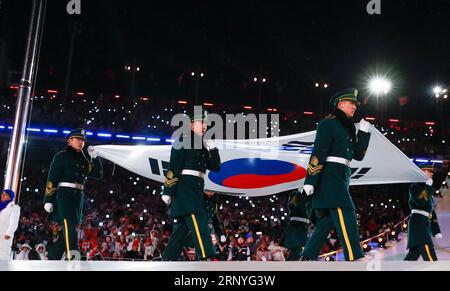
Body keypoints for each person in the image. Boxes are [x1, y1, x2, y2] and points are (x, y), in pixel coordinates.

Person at [300, 88, 371, 261]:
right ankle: (354, 255)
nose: (355, 107)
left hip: (342, 175)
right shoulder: (328, 123)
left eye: (355, 104)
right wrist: (310, 180)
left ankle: (308, 255)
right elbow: (318, 152)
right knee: (345, 209)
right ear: (341, 104)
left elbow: (358, 156)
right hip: (329, 174)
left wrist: (363, 134)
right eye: (352, 103)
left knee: (328, 220)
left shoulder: (347, 127)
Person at [161, 111, 221, 261]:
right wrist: (167, 190)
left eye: (206, 124)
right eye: (201, 123)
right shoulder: (183, 141)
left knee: (183, 227)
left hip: (197, 187)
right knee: (198, 217)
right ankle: (206, 254)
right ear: (191, 124)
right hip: (185, 187)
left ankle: (168, 256)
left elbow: (215, 167)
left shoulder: (203, 145)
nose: (204, 126)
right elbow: (173, 167)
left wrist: (213, 150)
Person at [43, 129, 103, 260]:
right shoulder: (61, 156)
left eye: (83, 140)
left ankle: (53, 256)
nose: (81, 142)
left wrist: (95, 158)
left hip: (78, 196)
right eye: (78, 139)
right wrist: (48, 198)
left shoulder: (84, 160)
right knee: (68, 224)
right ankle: (75, 256)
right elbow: (52, 177)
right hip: (63, 195)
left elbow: (98, 174)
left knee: (69, 229)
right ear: (69, 140)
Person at [404, 163, 439, 261]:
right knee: (429, 253)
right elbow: (420, 202)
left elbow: (430, 210)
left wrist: (436, 229)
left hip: (422, 222)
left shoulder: (425, 188)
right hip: (419, 223)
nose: (432, 174)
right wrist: (428, 188)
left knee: (413, 254)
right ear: (422, 172)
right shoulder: (415, 187)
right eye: (429, 171)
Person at [280, 190, 312, 261]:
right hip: (297, 227)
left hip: (298, 227)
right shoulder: (296, 205)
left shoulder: (295, 206)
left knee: (296, 251)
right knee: (297, 251)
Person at [0, 189, 21, 260]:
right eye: (2, 194)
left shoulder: (14, 208)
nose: (2, 196)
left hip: (4, 234)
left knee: (3, 254)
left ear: (10, 197)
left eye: (5, 194)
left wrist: (9, 233)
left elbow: (14, 223)